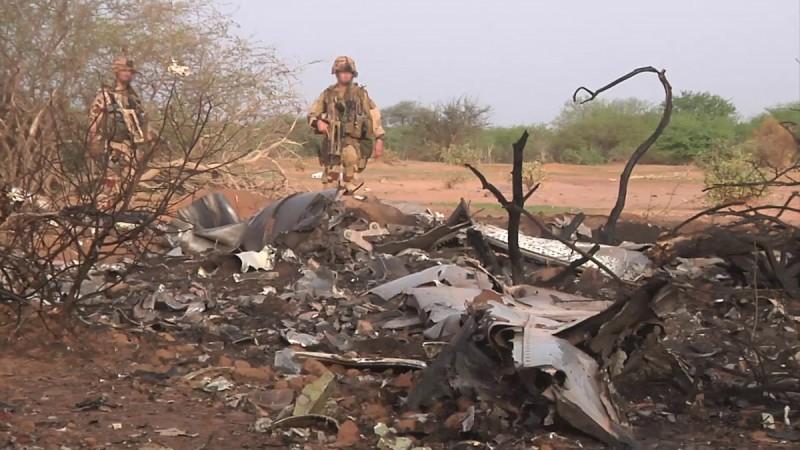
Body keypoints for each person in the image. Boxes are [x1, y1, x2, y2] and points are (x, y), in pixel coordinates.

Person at [307, 56, 385, 193]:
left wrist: (379, 138)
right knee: (330, 184)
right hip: (332, 143)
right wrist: (318, 122)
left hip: (353, 143)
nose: (345, 75)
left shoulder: (361, 94)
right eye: (342, 72)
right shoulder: (327, 94)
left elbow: (374, 116)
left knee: (351, 181)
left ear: (353, 74)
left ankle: (351, 210)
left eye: (348, 72)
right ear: (336, 73)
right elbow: (312, 114)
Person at [88, 55, 149, 193]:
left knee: (129, 187)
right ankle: (103, 211)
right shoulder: (106, 95)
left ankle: (123, 212)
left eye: (130, 71)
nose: (128, 74)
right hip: (112, 147)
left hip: (132, 148)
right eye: (124, 70)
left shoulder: (134, 98)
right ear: (117, 71)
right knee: (109, 185)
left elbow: (141, 123)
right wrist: (94, 145)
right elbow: (94, 122)